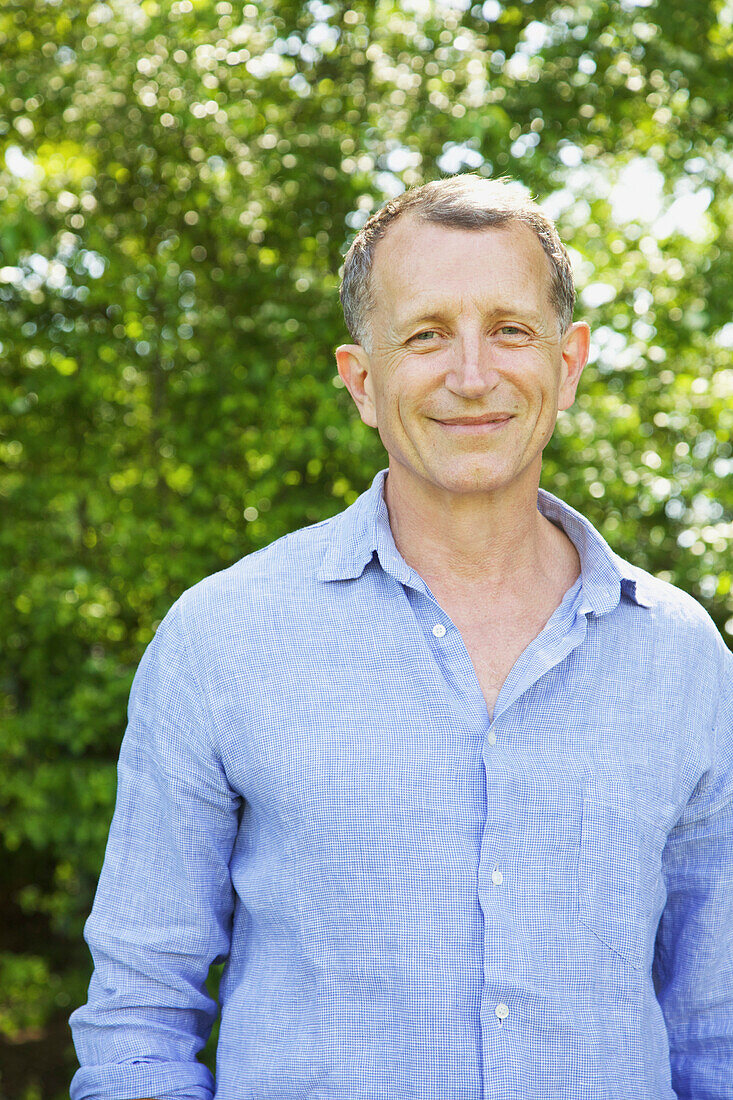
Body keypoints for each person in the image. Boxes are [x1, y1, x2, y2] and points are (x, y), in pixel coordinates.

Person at [70, 175, 733, 1100]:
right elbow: (139, 1017)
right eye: (425, 335)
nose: (471, 374)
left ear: (568, 363)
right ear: (362, 381)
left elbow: (717, 1028)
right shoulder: (222, 640)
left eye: (509, 329)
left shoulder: (682, 657)